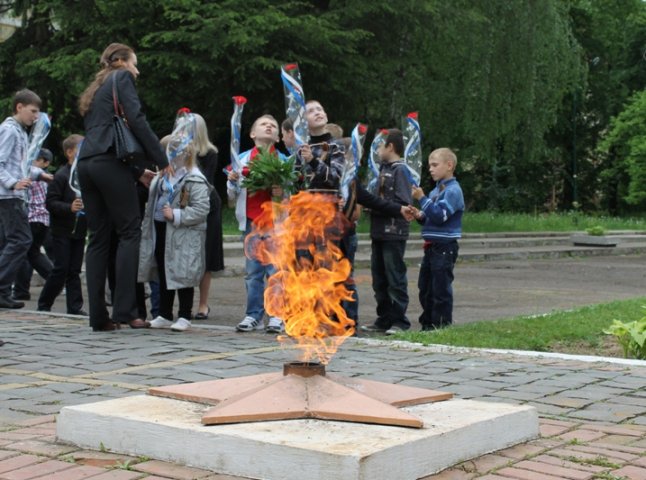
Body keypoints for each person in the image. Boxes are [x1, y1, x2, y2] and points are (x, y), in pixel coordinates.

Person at [77, 43, 168, 331]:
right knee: (130, 232)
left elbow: (106, 135)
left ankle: (98, 317)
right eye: (134, 63)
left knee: (99, 238)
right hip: (109, 164)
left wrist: (136, 171)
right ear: (120, 61)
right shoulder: (122, 78)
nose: (137, 70)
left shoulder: (96, 89)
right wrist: (162, 159)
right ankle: (126, 311)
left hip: (87, 164)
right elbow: (135, 121)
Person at [141, 134, 210, 332]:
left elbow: (201, 209)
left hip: (183, 234)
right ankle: (164, 313)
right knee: (164, 271)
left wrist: (177, 215)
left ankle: (184, 315)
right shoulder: (164, 174)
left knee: (183, 272)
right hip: (161, 229)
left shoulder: (194, 178)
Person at [227, 114, 285, 333]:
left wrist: (283, 192)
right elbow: (232, 197)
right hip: (252, 222)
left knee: (275, 270)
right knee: (253, 272)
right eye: (263, 124)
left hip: (275, 223)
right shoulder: (240, 160)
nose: (268, 127)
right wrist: (232, 183)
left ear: (278, 137)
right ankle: (253, 315)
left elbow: (293, 194)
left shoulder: (284, 161)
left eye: (273, 125)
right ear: (252, 134)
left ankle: (277, 315)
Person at [360, 129, 413, 335]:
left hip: (394, 232)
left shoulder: (401, 171)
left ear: (390, 147)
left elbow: (404, 202)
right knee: (379, 278)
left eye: (380, 146)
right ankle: (384, 317)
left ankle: (400, 320)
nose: (378, 151)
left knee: (394, 277)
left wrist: (378, 206)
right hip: (379, 231)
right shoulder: (382, 169)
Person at [0, 89, 48, 309]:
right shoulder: (9, 130)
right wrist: (12, 183)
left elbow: (20, 163)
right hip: (9, 195)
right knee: (21, 239)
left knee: (10, 242)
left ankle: (3, 291)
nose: (35, 117)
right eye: (33, 111)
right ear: (19, 107)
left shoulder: (20, 132)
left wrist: (41, 175)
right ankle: (1, 287)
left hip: (14, 195)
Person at [411, 148, 464, 330]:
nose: (431, 169)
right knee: (425, 287)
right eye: (429, 166)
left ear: (449, 166)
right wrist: (419, 215)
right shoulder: (436, 190)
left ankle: (441, 325)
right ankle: (427, 324)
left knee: (440, 289)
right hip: (432, 246)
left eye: (435, 165)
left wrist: (422, 198)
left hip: (444, 247)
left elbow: (440, 215)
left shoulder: (453, 191)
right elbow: (430, 217)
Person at [37, 135, 88, 315]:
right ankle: (44, 303)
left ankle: (75, 307)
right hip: (61, 230)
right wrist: (69, 208)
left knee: (74, 270)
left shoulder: (84, 175)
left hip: (79, 230)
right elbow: (50, 203)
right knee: (61, 269)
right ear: (69, 152)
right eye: (80, 147)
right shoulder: (61, 175)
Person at [192, 113, 224, 320]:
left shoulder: (210, 152)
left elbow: (207, 181)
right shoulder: (174, 151)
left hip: (207, 204)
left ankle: (203, 304)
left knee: (206, 255)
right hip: (183, 206)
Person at [13, 148, 54, 300]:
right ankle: (54, 279)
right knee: (32, 253)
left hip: (32, 218)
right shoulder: (44, 177)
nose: (34, 161)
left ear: (45, 163)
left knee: (26, 253)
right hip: (42, 220)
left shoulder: (34, 172)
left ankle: (21, 291)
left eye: (38, 159)